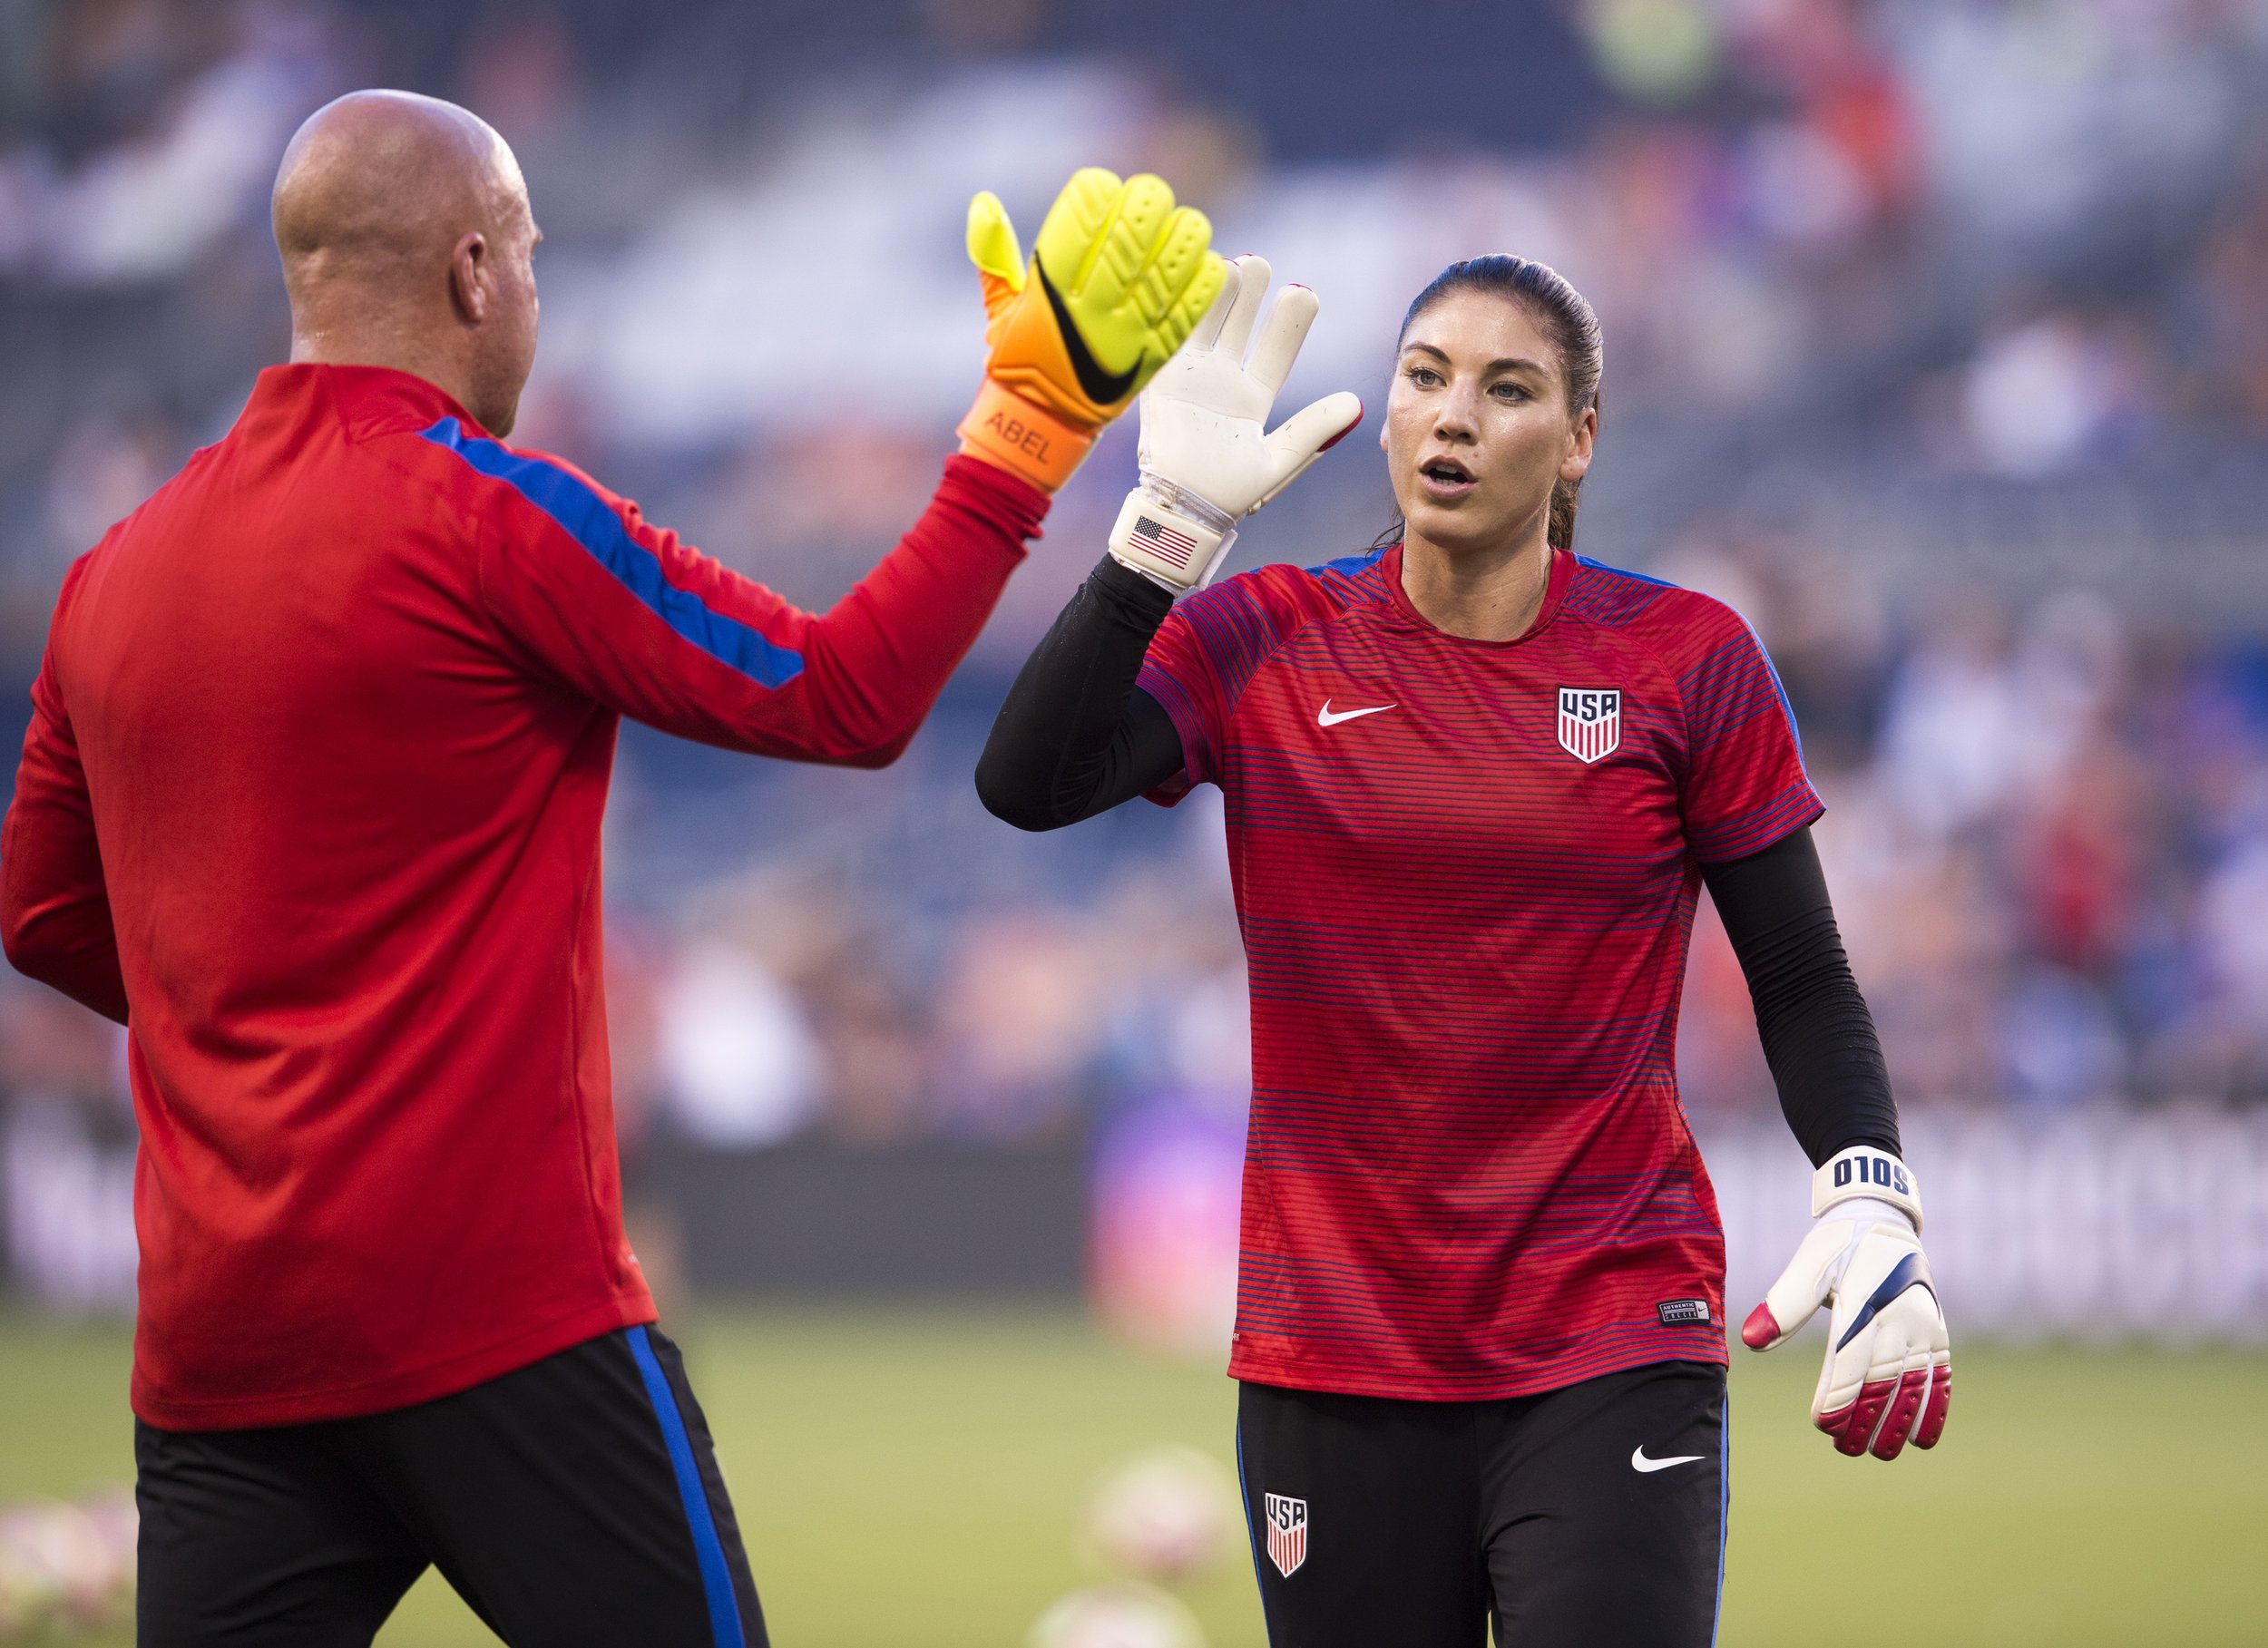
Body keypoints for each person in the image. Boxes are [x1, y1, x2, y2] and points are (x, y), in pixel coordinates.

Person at [0, 89, 1226, 1648]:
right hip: (494, 1318)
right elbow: (840, 698)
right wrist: (1028, 431)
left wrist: (261, 1011)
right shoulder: (492, 515)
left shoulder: (114, 570)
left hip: (221, 1345)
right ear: (472, 274)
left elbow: (40, 914)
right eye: (529, 253)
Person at [976, 254, 1951, 1646]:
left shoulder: (1689, 658)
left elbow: (1801, 978)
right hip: (1333, 1343)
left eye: (1508, 389)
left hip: (1613, 1321)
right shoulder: (1268, 636)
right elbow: (1029, 778)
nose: (1453, 416)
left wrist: (1869, 1191)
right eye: (1425, 376)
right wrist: (1161, 531)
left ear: (1579, 437)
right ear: (1384, 413)